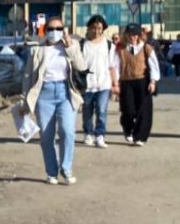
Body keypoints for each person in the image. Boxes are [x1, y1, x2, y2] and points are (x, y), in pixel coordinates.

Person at [20, 16, 87, 184]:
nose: (54, 32)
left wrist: (70, 46)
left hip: (66, 93)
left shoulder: (71, 46)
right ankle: (51, 172)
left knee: (67, 131)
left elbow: (81, 66)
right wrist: (24, 101)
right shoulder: (37, 50)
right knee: (46, 136)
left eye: (58, 28)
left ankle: (66, 168)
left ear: (64, 30)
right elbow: (28, 77)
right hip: (44, 94)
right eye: (51, 29)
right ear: (45, 31)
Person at [115, 22, 161, 146]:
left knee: (144, 111)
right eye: (130, 35)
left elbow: (154, 66)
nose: (133, 37)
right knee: (128, 110)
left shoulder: (146, 48)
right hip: (126, 82)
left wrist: (153, 81)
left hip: (142, 81)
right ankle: (128, 130)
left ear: (139, 35)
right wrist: (116, 83)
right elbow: (115, 65)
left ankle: (140, 137)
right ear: (126, 35)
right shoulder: (121, 49)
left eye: (135, 35)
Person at [79, 14, 117, 148]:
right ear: (89, 28)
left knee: (101, 110)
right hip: (87, 85)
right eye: (94, 28)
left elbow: (112, 65)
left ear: (103, 29)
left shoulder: (109, 45)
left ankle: (100, 135)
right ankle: (88, 133)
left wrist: (115, 83)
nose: (96, 31)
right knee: (87, 111)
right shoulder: (82, 45)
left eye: (99, 28)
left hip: (103, 84)